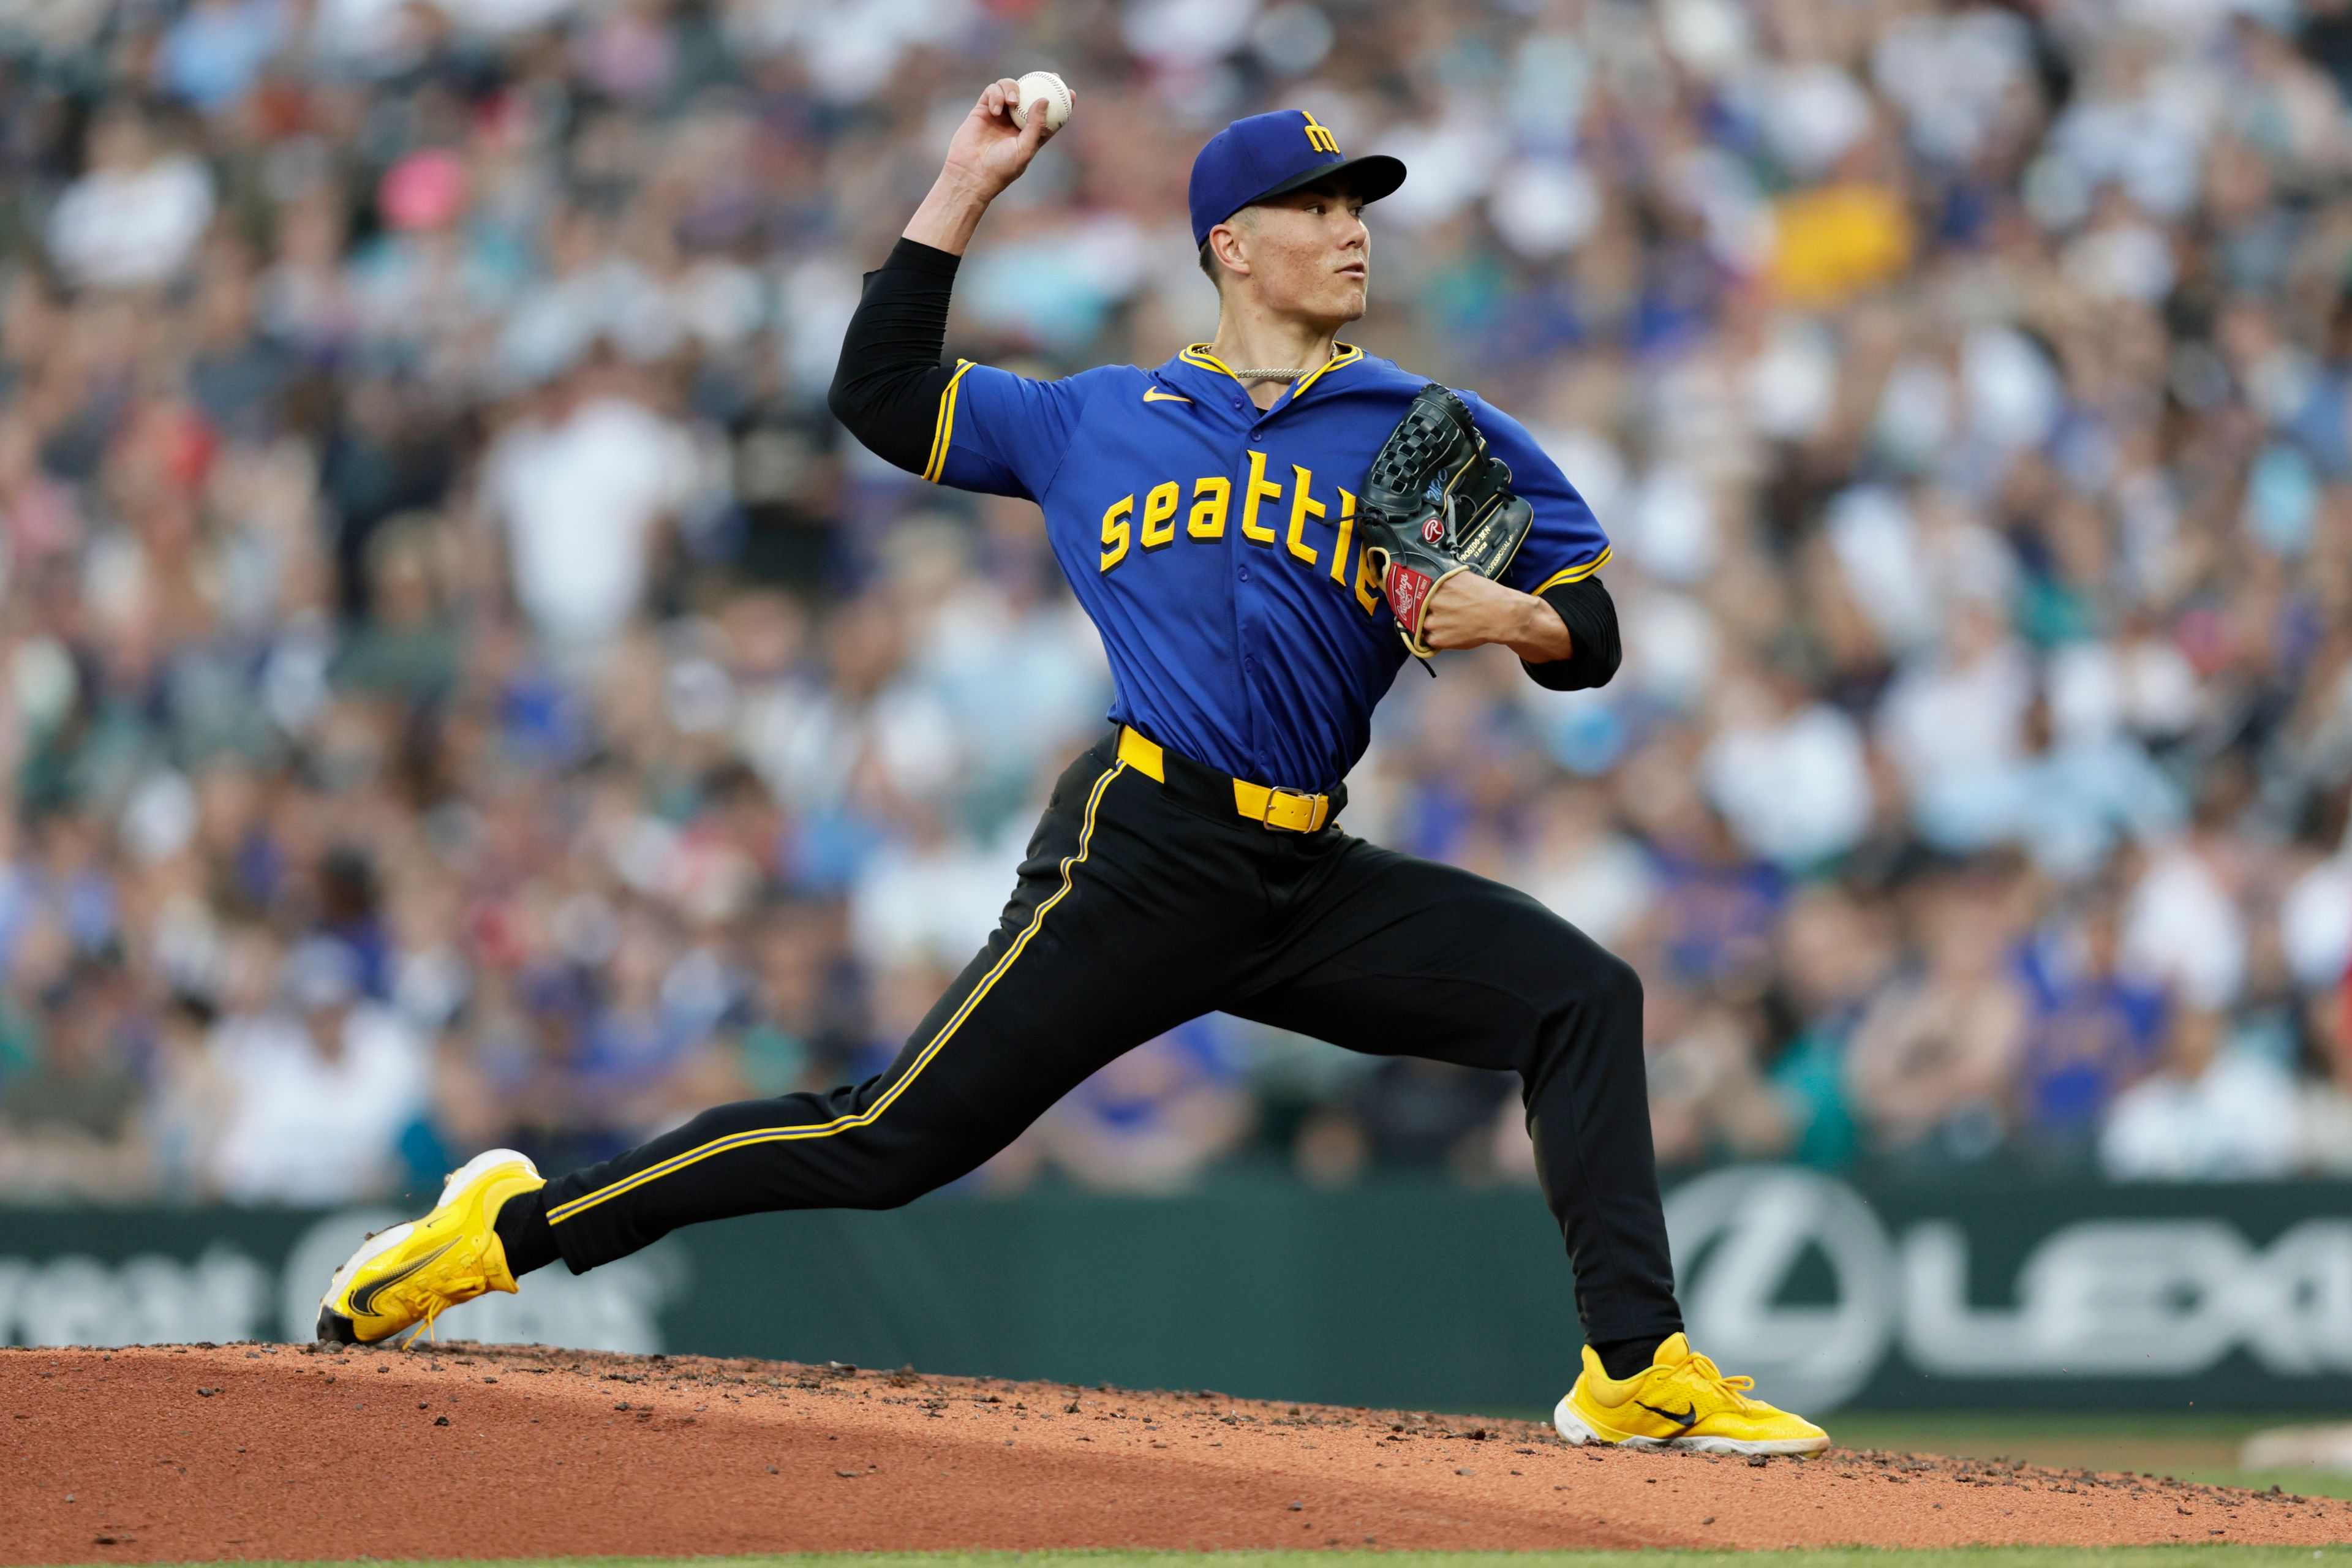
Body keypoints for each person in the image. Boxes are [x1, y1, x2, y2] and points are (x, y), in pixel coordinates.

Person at [317, 82, 1826, 1457]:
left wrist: (1520, 618)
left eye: (1360, 206)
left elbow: (1599, 627)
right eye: (1318, 208)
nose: (1352, 232)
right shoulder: (1096, 416)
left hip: (1303, 872)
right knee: (883, 1139)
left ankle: (1633, 1365)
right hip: (1145, 847)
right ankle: (506, 1228)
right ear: (1231, 245)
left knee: (1583, 996)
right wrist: (964, 185)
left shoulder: (1425, 430)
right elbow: (880, 390)